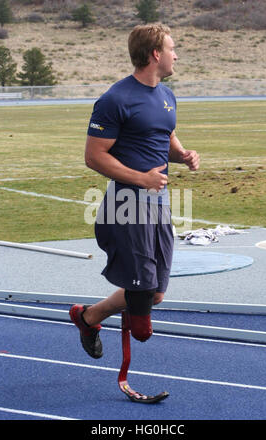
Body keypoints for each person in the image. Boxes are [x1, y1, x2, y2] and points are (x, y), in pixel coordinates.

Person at [69, 23, 200, 359]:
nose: (176, 55)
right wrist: (140, 179)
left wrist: (182, 155)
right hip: (127, 204)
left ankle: (88, 316)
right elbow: (93, 156)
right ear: (155, 54)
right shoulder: (115, 99)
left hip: (159, 202)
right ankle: (98, 319)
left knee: (155, 293)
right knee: (142, 322)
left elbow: (164, 137)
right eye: (172, 48)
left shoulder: (167, 95)